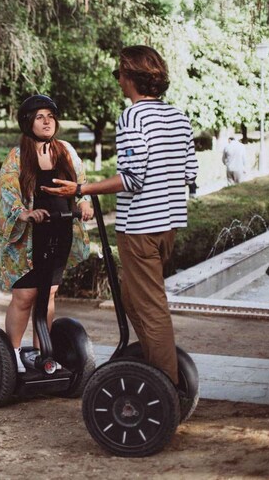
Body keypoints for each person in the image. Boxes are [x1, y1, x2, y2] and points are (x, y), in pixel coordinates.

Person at [42, 46, 198, 385]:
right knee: (130, 296)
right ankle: (153, 361)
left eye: (120, 74)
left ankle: (165, 387)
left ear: (131, 77)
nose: (118, 81)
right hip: (168, 225)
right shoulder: (179, 117)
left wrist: (80, 190)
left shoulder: (133, 117)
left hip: (141, 227)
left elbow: (131, 178)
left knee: (149, 308)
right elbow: (189, 172)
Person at [0, 95, 93, 373]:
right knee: (25, 296)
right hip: (28, 238)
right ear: (28, 123)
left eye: (50, 116)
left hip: (59, 229)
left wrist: (84, 202)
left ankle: (42, 353)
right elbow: (7, 193)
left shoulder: (65, 150)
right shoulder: (17, 156)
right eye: (40, 117)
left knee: (48, 294)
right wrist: (24, 213)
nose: (47, 121)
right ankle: (13, 356)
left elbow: (81, 183)